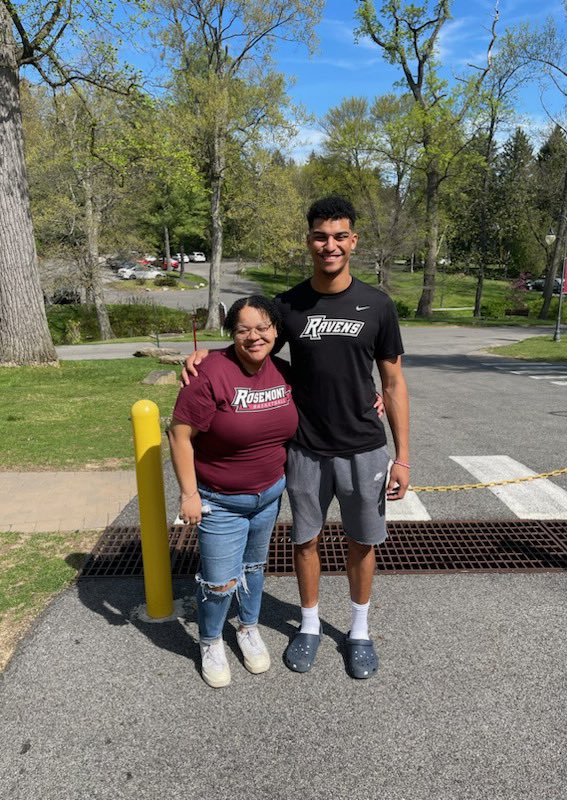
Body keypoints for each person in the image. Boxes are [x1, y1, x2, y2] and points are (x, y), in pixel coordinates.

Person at [184, 195, 410, 679]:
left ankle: (359, 631)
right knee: (304, 539)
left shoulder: (378, 305)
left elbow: (393, 383)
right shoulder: (288, 306)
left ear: (353, 241)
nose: (330, 245)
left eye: (339, 236)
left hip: (364, 446)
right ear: (309, 241)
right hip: (305, 448)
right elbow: (255, 344)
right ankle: (308, 626)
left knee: (361, 542)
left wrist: (404, 456)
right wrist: (208, 359)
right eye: (320, 236)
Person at [169, 295, 298, 688]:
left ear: (277, 331)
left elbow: (330, 396)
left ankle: (247, 628)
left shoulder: (286, 372)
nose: (254, 337)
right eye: (243, 330)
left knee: (254, 569)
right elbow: (178, 433)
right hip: (220, 499)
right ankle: (209, 641)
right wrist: (189, 494)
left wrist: (371, 400)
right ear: (232, 334)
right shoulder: (210, 373)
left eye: (263, 328)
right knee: (219, 580)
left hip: (269, 495)